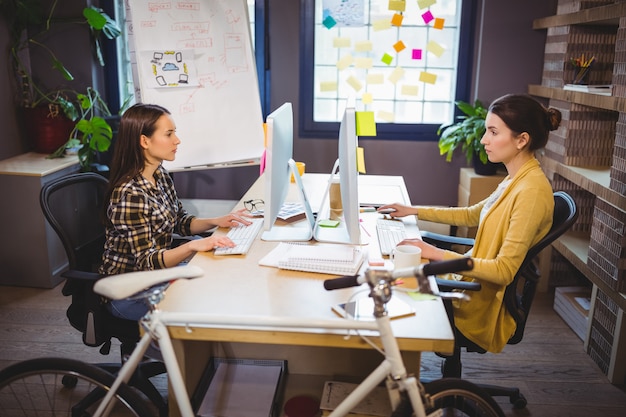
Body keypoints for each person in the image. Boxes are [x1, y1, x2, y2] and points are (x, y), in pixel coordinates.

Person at [378, 93, 562, 355]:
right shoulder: (517, 177)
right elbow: (472, 214)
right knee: (396, 281)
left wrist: (436, 254)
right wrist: (412, 210)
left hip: (479, 303)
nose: (484, 140)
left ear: (522, 139)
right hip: (466, 281)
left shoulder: (530, 192)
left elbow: (503, 271)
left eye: (493, 132)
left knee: (395, 297)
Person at [100, 103, 253, 320]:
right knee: (203, 307)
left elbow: (179, 221)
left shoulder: (159, 174)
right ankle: (172, 352)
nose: (177, 140)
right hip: (129, 291)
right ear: (144, 141)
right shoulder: (130, 194)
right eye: (169, 134)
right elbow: (148, 262)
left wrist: (218, 221)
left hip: (157, 277)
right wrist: (193, 245)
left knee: (220, 285)